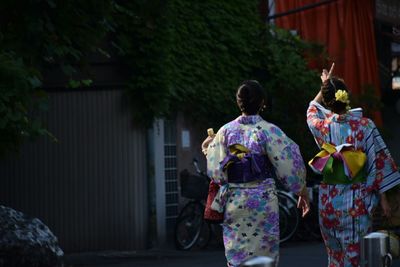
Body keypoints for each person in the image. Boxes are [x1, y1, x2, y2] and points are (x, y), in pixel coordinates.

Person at [202, 80, 310, 267]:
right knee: (264, 259)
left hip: (235, 201)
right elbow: (290, 167)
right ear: (262, 103)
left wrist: (207, 148)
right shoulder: (269, 131)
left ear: (238, 102)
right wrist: (302, 191)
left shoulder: (225, 131)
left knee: (237, 259)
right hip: (262, 202)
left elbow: (216, 172)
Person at [307, 64, 400, 267]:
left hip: (329, 202)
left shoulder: (323, 126)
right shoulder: (365, 126)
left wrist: (323, 86)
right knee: (356, 259)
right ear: (346, 96)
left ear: (328, 100)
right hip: (356, 203)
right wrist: (383, 196)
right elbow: (377, 162)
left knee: (334, 258)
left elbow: (311, 109)